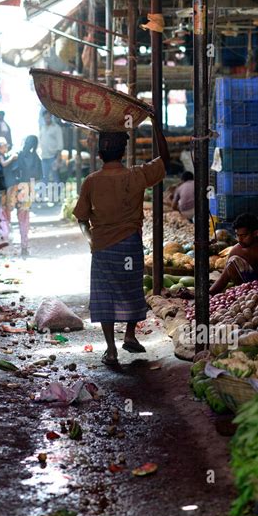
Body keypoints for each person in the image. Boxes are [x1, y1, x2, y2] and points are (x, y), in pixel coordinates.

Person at [73, 122, 170, 367]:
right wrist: (157, 127)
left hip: (103, 248)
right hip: (130, 246)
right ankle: (129, 334)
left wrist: (91, 239)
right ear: (124, 152)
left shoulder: (91, 181)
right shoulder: (136, 175)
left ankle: (112, 350)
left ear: (99, 153)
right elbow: (164, 161)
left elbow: (82, 218)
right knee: (131, 291)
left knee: (105, 296)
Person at [210, 213, 258, 296]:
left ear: (255, 233)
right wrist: (207, 294)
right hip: (251, 291)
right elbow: (223, 280)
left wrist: (255, 293)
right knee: (232, 261)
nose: (240, 239)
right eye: (237, 235)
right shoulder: (236, 250)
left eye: (244, 235)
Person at [15, 135, 43, 258]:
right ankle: (24, 245)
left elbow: (12, 172)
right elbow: (38, 177)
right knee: (25, 218)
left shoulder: (18, 155)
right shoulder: (36, 158)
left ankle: (23, 245)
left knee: (21, 217)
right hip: (30, 189)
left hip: (18, 189)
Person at [0, 137, 19, 248]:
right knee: (4, 207)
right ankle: (4, 231)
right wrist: (12, 158)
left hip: (5, 183)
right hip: (2, 183)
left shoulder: (3, 155)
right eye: (2, 146)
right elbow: (4, 164)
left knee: (6, 206)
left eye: (5, 146)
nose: (4, 148)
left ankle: (6, 228)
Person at [39, 110, 64, 185]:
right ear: (43, 118)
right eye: (45, 117)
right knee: (44, 177)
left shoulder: (56, 128)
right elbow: (40, 140)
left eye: (48, 117)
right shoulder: (42, 127)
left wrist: (58, 157)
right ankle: (42, 195)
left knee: (55, 176)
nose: (47, 119)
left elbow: (60, 143)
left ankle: (59, 195)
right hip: (44, 156)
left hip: (53, 157)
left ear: (51, 117)